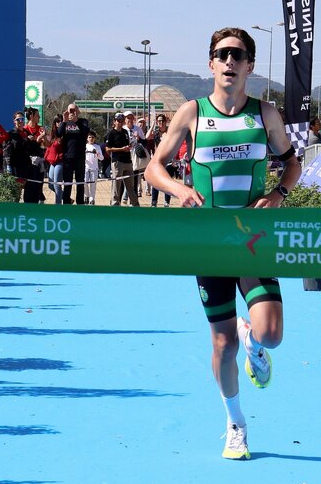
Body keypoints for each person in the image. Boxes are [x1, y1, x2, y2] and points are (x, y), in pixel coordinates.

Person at [145, 27, 301, 461]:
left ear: (250, 65)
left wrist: (278, 194)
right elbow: (153, 169)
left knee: (270, 335)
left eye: (238, 55)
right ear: (211, 64)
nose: (229, 61)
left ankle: (253, 339)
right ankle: (236, 425)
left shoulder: (265, 114)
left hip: (250, 239)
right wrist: (179, 191)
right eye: (221, 54)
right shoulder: (192, 113)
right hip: (208, 241)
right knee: (221, 344)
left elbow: (292, 164)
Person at [56, 103, 90, 205]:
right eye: (70, 110)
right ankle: (66, 202)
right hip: (68, 157)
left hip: (80, 157)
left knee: (80, 181)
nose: (72, 112)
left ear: (78, 111)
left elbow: (86, 132)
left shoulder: (83, 121)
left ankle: (80, 203)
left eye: (74, 110)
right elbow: (58, 134)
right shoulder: (65, 123)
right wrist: (64, 121)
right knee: (67, 182)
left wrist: (75, 120)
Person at [105, 112, 138, 206]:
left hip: (128, 161)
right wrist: (121, 149)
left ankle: (135, 204)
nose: (120, 122)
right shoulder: (111, 133)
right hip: (117, 162)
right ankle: (115, 204)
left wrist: (129, 147)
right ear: (115, 121)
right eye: (118, 120)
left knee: (130, 186)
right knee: (116, 185)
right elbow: (108, 149)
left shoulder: (125, 132)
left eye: (122, 121)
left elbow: (127, 144)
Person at [146, 114, 173, 207]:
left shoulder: (169, 132)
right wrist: (153, 125)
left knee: (167, 181)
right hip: (157, 160)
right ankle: (154, 201)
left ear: (165, 122)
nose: (160, 123)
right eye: (158, 121)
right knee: (155, 181)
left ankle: (167, 201)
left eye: (162, 121)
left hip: (168, 160)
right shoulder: (156, 133)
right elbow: (147, 136)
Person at [45, 115, 65, 204]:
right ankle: (66, 196)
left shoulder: (64, 134)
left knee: (57, 185)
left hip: (60, 161)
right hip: (52, 162)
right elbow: (47, 146)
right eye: (57, 121)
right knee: (50, 185)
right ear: (55, 123)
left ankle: (57, 206)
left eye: (61, 121)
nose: (59, 123)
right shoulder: (52, 135)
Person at [83, 132, 104, 205]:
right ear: (87, 138)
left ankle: (92, 199)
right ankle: (86, 196)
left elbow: (102, 158)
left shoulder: (97, 147)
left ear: (95, 138)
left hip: (94, 169)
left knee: (93, 185)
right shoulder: (84, 146)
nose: (91, 139)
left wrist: (97, 154)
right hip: (85, 168)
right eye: (89, 137)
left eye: (92, 137)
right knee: (84, 183)